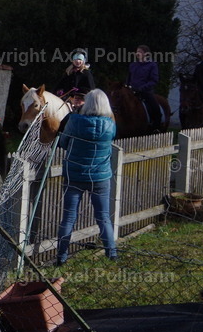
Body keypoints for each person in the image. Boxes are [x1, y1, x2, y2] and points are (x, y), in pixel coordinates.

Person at [55, 89, 118, 265]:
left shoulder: (75, 121)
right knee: (103, 217)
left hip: (75, 175)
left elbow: (63, 143)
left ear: (87, 103)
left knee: (68, 217)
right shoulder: (110, 124)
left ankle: (61, 257)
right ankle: (111, 254)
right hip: (100, 177)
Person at [127, 44, 163, 130]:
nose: (137, 53)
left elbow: (154, 80)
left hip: (145, 92)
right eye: (137, 51)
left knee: (155, 108)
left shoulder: (152, 65)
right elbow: (128, 78)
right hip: (132, 92)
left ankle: (156, 127)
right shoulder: (133, 65)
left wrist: (142, 88)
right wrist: (127, 87)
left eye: (140, 52)